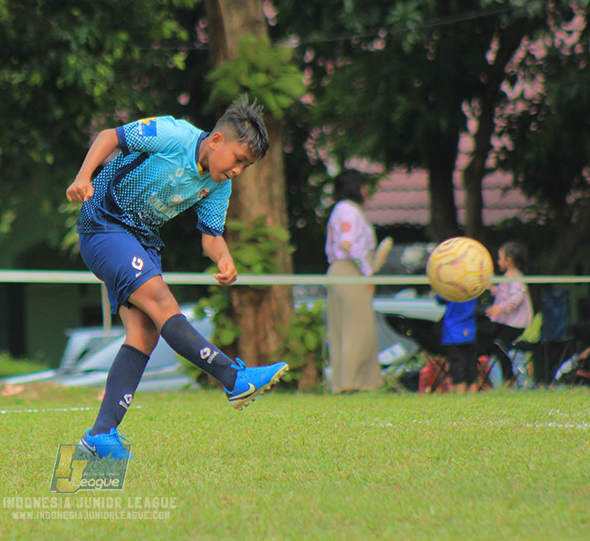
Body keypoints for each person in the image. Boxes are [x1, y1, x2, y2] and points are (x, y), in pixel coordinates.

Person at [65, 96, 288, 460]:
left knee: (144, 334)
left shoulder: (219, 185)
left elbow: (211, 235)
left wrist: (224, 256)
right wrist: (82, 178)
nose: (238, 171)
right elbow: (110, 136)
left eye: (246, 166)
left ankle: (100, 435)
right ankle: (233, 378)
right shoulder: (172, 134)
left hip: (141, 239)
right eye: (238, 160)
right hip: (103, 224)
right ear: (216, 140)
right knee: (161, 301)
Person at [324, 169, 389, 394]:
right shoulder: (349, 210)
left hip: (339, 272)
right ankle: (353, 383)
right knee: (356, 330)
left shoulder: (341, 210)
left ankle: (342, 382)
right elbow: (347, 244)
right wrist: (367, 272)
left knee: (341, 329)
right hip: (350, 271)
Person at [484, 241, 533, 387]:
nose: (498, 262)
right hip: (508, 322)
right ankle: (507, 378)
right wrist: (490, 287)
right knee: (497, 345)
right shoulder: (507, 276)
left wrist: (501, 308)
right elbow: (503, 294)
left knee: (499, 344)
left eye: (500, 258)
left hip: (516, 323)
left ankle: (509, 379)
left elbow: (516, 297)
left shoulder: (515, 277)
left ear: (509, 259)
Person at [436, 295, 479, 394]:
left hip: (452, 330)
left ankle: (459, 391)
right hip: (470, 328)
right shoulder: (472, 289)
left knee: (456, 362)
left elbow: (440, 299)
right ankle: (473, 391)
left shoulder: (451, 289)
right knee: (471, 362)